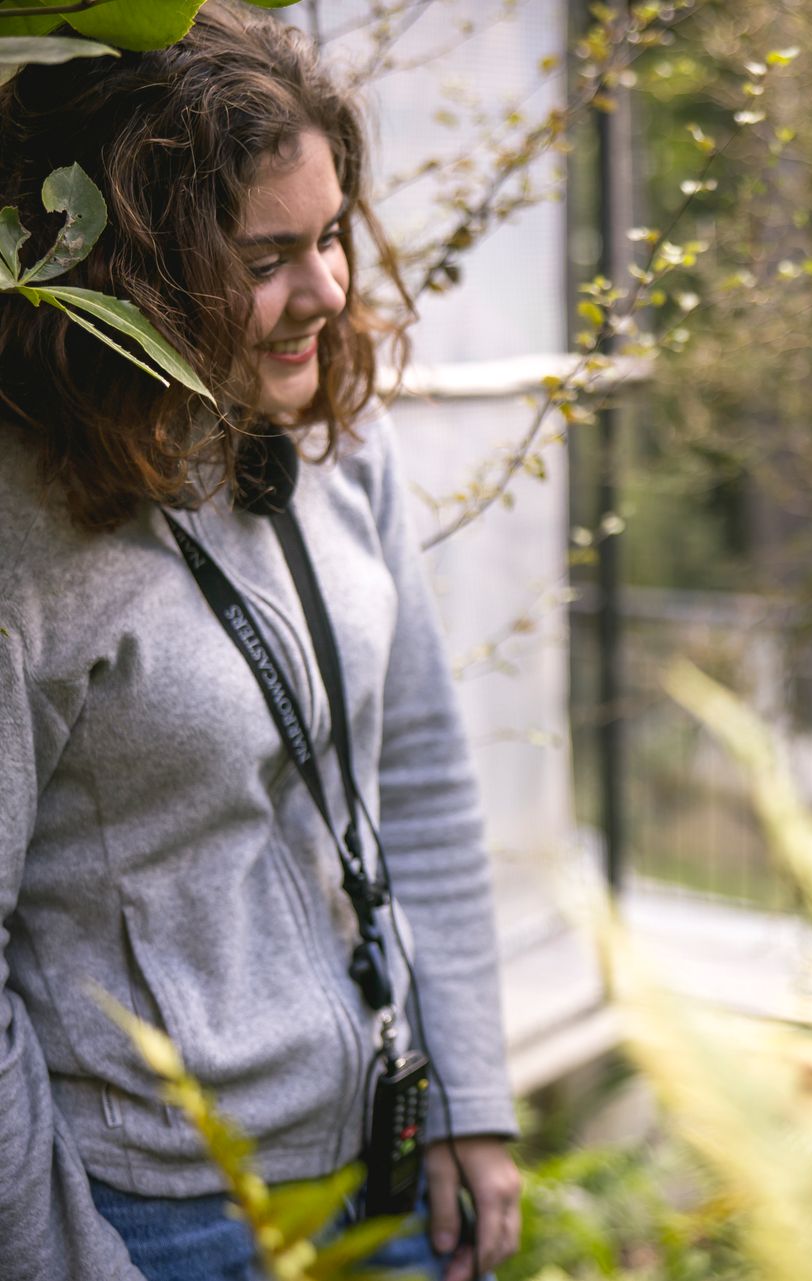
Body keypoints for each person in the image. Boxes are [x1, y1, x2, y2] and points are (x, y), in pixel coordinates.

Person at [0, 6, 521, 1279]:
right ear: (138, 273)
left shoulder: (339, 439)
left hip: (387, 1159)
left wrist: (470, 1093)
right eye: (266, 257)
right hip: (164, 1220)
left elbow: (422, 778)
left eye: (331, 235)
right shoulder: (24, 533)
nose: (329, 291)